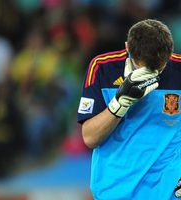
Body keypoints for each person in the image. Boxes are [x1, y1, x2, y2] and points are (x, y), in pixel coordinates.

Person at [77, 19, 181, 200]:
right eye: (143, 64)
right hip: (114, 190)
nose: (150, 72)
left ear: (169, 53)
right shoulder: (103, 67)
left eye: (158, 66)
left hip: (169, 189)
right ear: (127, 48)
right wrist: (118, 105)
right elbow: (89, 137)